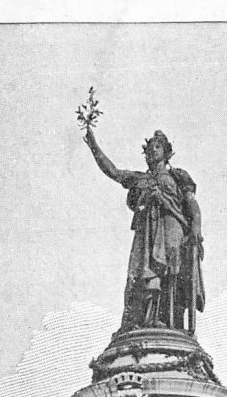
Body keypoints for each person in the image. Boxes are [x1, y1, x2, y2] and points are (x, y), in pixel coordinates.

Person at [84, 126, 205, 333]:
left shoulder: (177, 176)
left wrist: (196, 227)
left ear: (166, 152)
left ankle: (170, 323)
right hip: (147, 233)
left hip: (172, 229)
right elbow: (114, 172)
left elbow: (192, 204)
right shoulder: (140, 179)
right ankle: (146, 319)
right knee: (142, 272)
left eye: (157, 147)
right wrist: (94, 146)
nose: (153, 151)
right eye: (149, 148)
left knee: (171, 275)